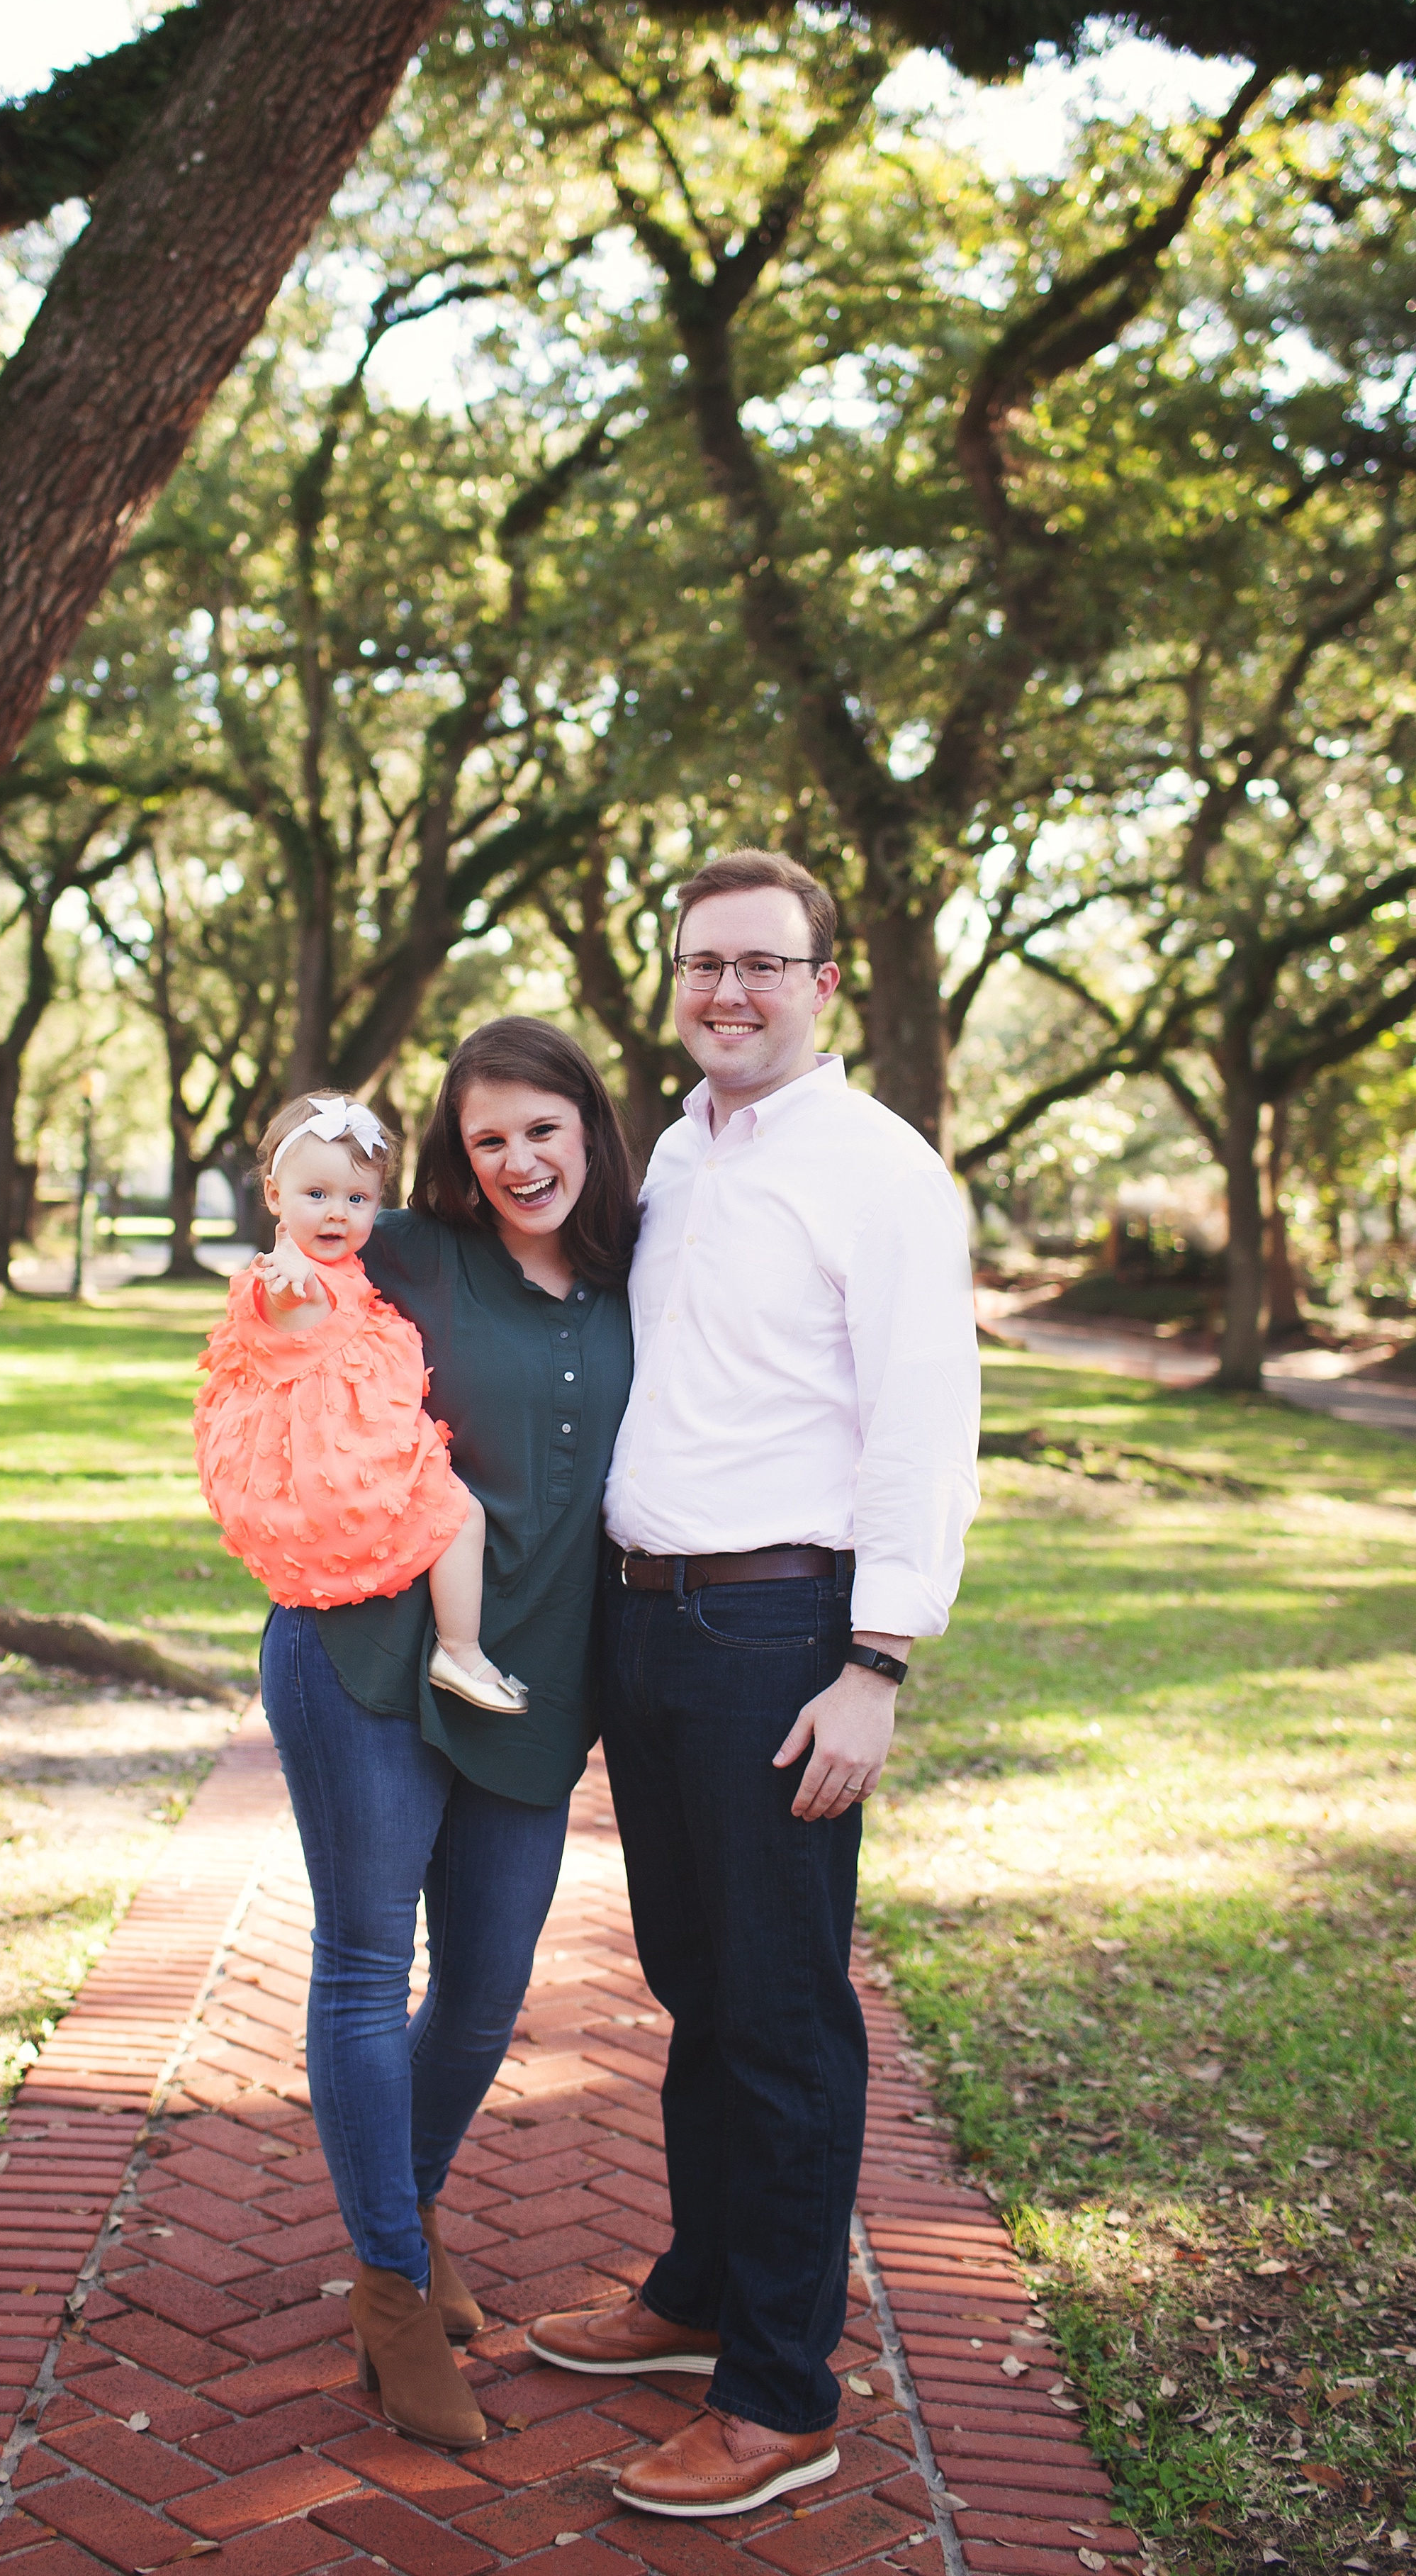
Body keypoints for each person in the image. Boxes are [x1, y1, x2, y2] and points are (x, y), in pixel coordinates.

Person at [529, 851, 979, 2518]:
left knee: (784, 2018)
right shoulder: (684, 1161)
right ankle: (700, 2290)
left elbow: (926, 1429)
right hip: (648, 1630)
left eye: (763, 966)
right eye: (705, 964)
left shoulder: (879, 1172)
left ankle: (782, 2395)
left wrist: (876, 1666)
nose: (730, 991)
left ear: (822, 984)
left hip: (782, 1639)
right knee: (697, 1987)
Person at [198, 1019, 636, 2451]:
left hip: (535, 1679)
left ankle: (407, 2205)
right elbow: (289, 1259)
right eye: (489, 1136)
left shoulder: (639, 1279)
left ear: (588, 1133)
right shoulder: (413, 1254)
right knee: (367, 1962)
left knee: (488, 1989)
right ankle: (390, 2287)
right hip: (369, 1652)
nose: (518, 1160)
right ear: (456, 1152)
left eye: (542, 1131)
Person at [195, 1091, 525, 1712]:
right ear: (274, 1196)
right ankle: (460, 1651)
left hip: (337, 1461)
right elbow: (280, 1308)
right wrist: (289, 1292)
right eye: (315, 1196)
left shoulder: (346, 1267)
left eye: (357, 1199)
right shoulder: (285, 1277)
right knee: (460, 1515)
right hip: (335, 1472)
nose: (336, 1215)